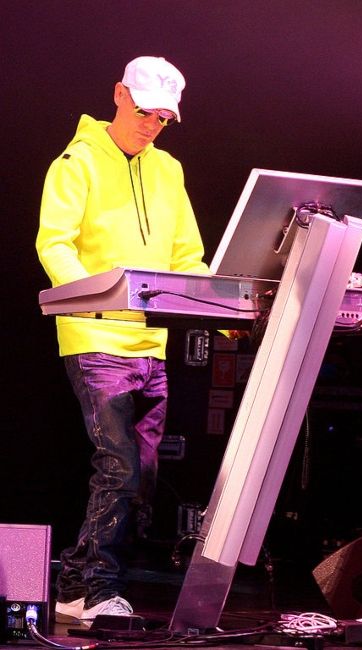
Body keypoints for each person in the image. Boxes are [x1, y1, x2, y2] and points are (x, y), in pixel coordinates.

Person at [36, 56, 211, 623]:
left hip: (150, 341)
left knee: (142, 474)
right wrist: (97, 297)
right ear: (118, 94)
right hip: (95, 334)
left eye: (163, 118)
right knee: (120, 466)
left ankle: (73, 584)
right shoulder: (77, 161)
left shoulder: (169, 171)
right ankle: (95, 589)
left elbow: (187, 256)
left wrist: (224, 293)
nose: (151, 125)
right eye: (144, 112)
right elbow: (54, 243)